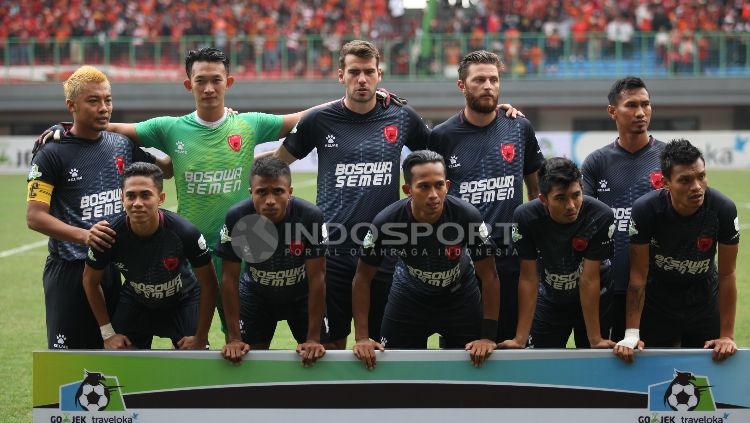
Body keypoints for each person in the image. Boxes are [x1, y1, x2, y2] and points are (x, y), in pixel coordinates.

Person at [87, 47, 329, 335]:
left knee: (239, 337)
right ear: (189, 84)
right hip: (188, 250)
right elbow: (109, 128)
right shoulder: (170, 128)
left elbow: (302, 117)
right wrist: (62, 130)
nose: (209, 88)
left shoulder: (249, 124)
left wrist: (346, 99)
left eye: (217, 80)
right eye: (201, 80)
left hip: (243, 247)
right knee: (188, 333)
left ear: (229, 82)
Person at [268, 40, 432, 349]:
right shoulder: (318, 121)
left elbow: (444, 149)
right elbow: (276, 164)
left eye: (369, 72)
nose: (362, 79)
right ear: (341, 75)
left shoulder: (402, 117)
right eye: (354, 72)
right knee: (331, 345)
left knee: (388, 345)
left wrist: (500, 116)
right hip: (333, 252)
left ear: (379, 75)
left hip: (385, 249)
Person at [25, 65, 167, 349]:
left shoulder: (121, 145)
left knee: (126, 351)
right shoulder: (51, 153)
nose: (104, 107)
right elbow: (35, 217)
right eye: (93, 101)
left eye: (108, 99)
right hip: (70, 270)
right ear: (71, 106)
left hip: (113, 268)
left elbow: (167, 170)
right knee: (70, 361)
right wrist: (85, 235)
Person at [428, 50, 544, 343]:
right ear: (462, 86)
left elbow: (536, 188)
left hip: (511, 259)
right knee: (460, 347)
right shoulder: (442, 136)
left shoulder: (519, 126)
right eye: (479, 80)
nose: (488, 86)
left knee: (509, 345)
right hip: (461, 261)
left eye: (494, 79)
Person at [352, 150, 500, 369]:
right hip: (409, 296)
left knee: (472, 369)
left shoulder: (467, 216)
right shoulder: (386, 221)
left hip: (460, 297)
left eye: (439, 185)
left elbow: (489, 276)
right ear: (407, 190)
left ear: (447, 186)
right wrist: (362, 337)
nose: (433, 194)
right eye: (424, 186)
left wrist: (488, 336)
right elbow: (362, 278)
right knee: (394, 370)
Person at [614, 139, 739, 363]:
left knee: (707, 373)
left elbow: (727, 274)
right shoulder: (646, 210)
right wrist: (632, 334)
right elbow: (638, 275)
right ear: (665, 183)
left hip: (703, 301)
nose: (697, 187)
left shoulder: (723, 209)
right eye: (685, 180)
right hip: (657, 302)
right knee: (650, 373)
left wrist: (726, 336)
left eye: (701, 176)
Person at [82, 163, 218, 349]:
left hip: (183, 300)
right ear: (122, 198)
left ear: (160, 198)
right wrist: (108, 334)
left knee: (194, 358)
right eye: (131, 196)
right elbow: (90, 281)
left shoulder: (185, 233)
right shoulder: (109, 235)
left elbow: (209, 283)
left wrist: (201, 337)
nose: (137, 203)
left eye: (145, 195)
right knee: (120, 355)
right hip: (137, 302)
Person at [216, 156, 327, 367]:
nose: (270, 200)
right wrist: (234, 337)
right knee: (248, 360)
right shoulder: (237, 217)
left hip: (301, 296)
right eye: (261, 192)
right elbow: (229, 278)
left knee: (323, 356)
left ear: (290, 192)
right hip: (257, 295)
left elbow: (317, 277)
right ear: (251, 193)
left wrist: (313, 338)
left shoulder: (310, 216)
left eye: (278, 191)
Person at [580, 76, 666, 343]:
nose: (641, 113)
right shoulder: (596, 163)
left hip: (657, 287)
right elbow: (583, 221)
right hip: (607, 284)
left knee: (655, 365)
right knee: (602, 363)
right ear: (613, 111)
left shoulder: (668, 159)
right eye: (631, 105)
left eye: (646, 104)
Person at [498, 157, 616, 349]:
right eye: (561, 198)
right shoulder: (525, 217)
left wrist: (595, 339)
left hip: (596, 297)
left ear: (582, 189)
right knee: (541, 366)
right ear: (543, 199)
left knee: (594, 364)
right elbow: (529, 278)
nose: (570, 205)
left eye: (576, 195)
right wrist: (519, 339)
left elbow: (589, 279)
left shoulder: (600, 215)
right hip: (551, 299)